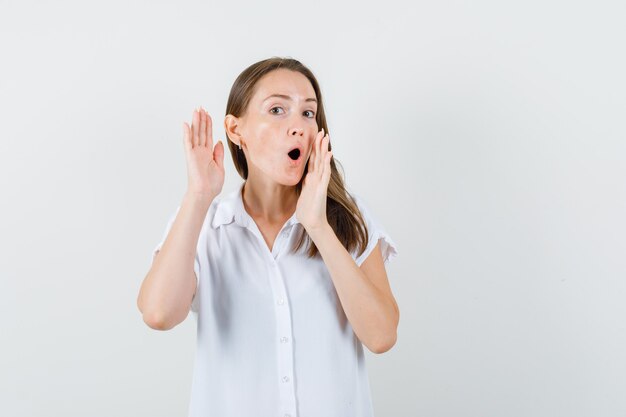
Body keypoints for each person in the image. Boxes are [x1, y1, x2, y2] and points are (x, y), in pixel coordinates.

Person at [137, 57, 399, 417]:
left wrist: (318, 226)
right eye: (277, 109)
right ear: (235, 129)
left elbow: (382, 335)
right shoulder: (205, 225)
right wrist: (198, 196)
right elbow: (158, 313)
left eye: (308, 113)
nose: (298, 127)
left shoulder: (346, 219)